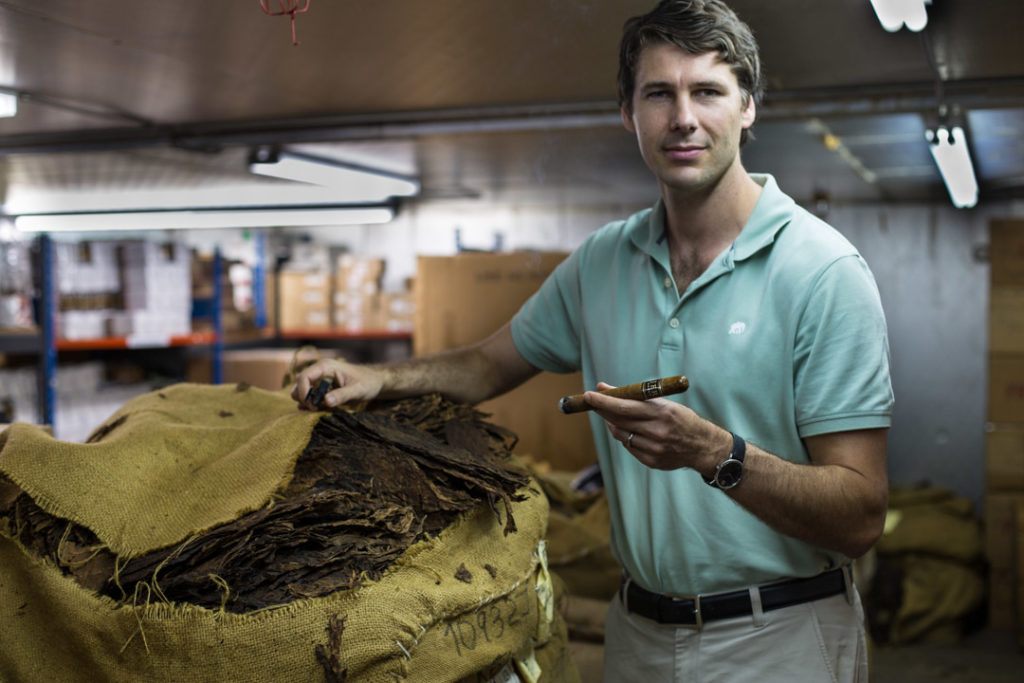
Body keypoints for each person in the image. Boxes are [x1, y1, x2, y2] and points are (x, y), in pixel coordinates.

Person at [292, 0, 893, 680]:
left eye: (708, 92)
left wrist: (715, 453)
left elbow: (860, 513)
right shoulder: (603, 261)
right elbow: (487, 364)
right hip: (638, 634)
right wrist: (381, 378)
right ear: (628, 112)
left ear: (748, 108)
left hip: (779, 637)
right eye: (659, 93)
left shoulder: (822, 270)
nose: (684, 118)